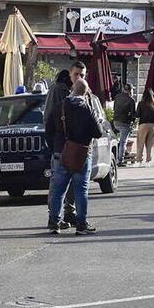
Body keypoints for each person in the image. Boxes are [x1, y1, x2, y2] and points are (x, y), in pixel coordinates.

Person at [47, 79, 102, 235]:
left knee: (58, 190)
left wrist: (55, 148)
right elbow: (97, 132)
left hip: (60, 153)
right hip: (81, 154)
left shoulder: (59, 107)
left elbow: (48, 130)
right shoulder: (87, 109)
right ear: (85, 93)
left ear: (72, 89)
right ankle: (81, 225)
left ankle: (54, 223)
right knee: (81, 190)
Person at [44, 61, 91, 228]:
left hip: (78, 148)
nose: (79, 78)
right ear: (70, 74)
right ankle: (55, 217)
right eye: (76, 74)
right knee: (59, 185)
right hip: (62, 147)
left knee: (72, 186)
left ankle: (68, 214)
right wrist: (55, 145)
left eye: (82, 75)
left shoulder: (86, 93)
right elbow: (49, 120)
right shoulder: (59, 90)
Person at [135, 88, 154, 166]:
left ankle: (139, 161)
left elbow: (137, 115)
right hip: (152, 126)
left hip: (143, 125)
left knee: (140, 143)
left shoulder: (141, 103)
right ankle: (148, 161)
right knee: (150, 145)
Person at [112, 84, 136, 166]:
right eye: (133, 90)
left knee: (121, 140)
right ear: (130, 90)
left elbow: (114, 109)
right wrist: (132, 121)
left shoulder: (117, 97)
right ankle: (120, 160)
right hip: (124, 123)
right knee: (123, 142)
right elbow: (133, 115)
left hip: (115, 121)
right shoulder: (131, 100)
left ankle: (123, 153)